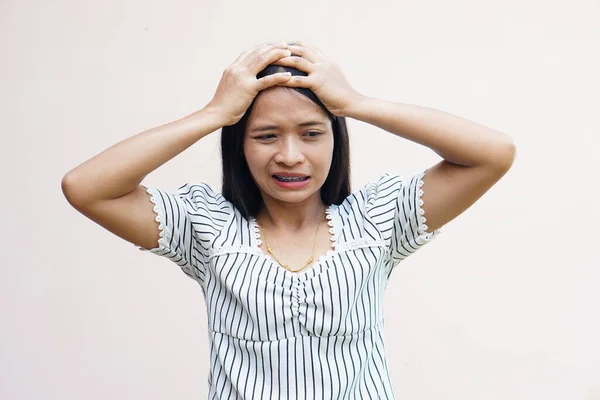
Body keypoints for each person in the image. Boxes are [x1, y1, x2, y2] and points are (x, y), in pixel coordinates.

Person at [62, 41, 516, 399]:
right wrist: (215, 113)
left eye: (312, 133)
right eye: (265, 136)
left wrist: (355, 103)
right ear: (239, 146)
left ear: (335, 139)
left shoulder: (377, 221)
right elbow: (86, 186)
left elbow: (492, 154)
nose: (290, 156)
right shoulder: (205, 227)